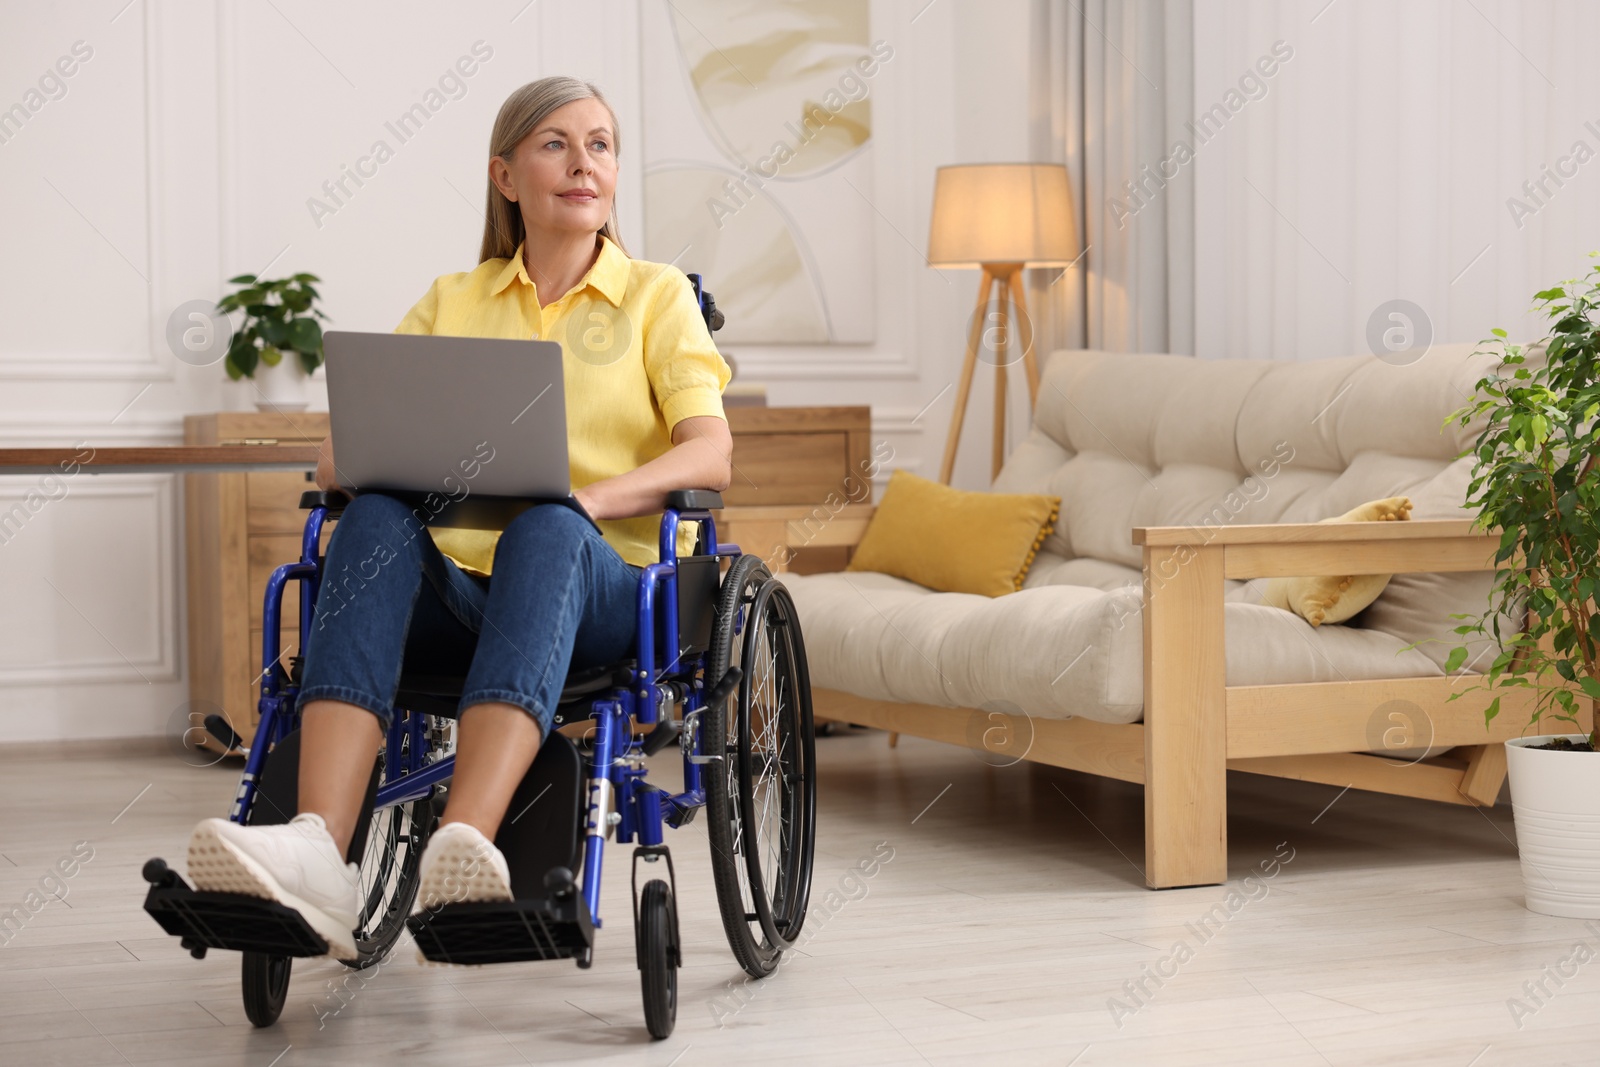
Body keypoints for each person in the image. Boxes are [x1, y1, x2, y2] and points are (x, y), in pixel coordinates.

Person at [182, 76, 734, 960]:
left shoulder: (656, 297)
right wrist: (390, 463)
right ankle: (320, 847)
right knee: (370, 518)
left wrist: (584, 500)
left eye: (600, 143)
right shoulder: (455, 300)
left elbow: (710, 455)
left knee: (547, 530)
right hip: (458, 594)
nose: (583, 162)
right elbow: (339, 458)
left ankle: (464, 847)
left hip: (598, 586)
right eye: (555, 143)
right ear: (506, 176)